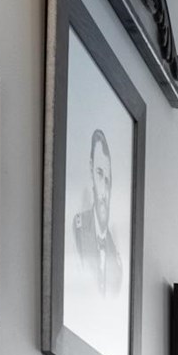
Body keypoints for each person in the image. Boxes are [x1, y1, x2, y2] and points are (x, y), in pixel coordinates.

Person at [70, 125, 120, 297]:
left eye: (108, 180)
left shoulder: (116, 257)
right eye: (99, 174)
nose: (104, 191)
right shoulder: (78, 227)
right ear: (91, 170)